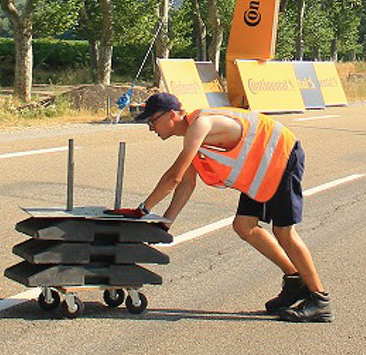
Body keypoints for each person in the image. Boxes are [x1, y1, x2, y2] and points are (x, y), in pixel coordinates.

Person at [116, 92, 332, 323]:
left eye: (152, 121)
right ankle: (294, 280)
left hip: (280, 155)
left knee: (284, 232)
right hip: (261, 167)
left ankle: (320, 300)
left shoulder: (201, 124)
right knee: (244, 226)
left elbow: (174, 177)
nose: (151, 128)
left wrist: (142, 210)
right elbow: (187, 184)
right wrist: (165, 223)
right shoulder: (191, 137)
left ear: (171, 115)